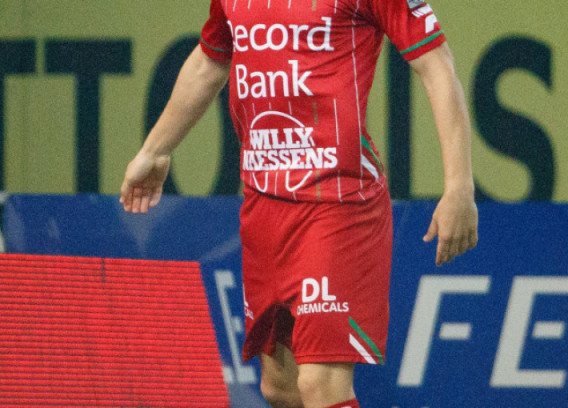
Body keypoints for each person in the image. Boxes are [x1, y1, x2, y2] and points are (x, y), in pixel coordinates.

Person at [119, 0, 478, 406]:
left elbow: (436, 63)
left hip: (338, 201)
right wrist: (155, 150)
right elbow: (210, 61)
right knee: (281, 388)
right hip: (263, 202)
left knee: (320, 384)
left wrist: (459, 186)